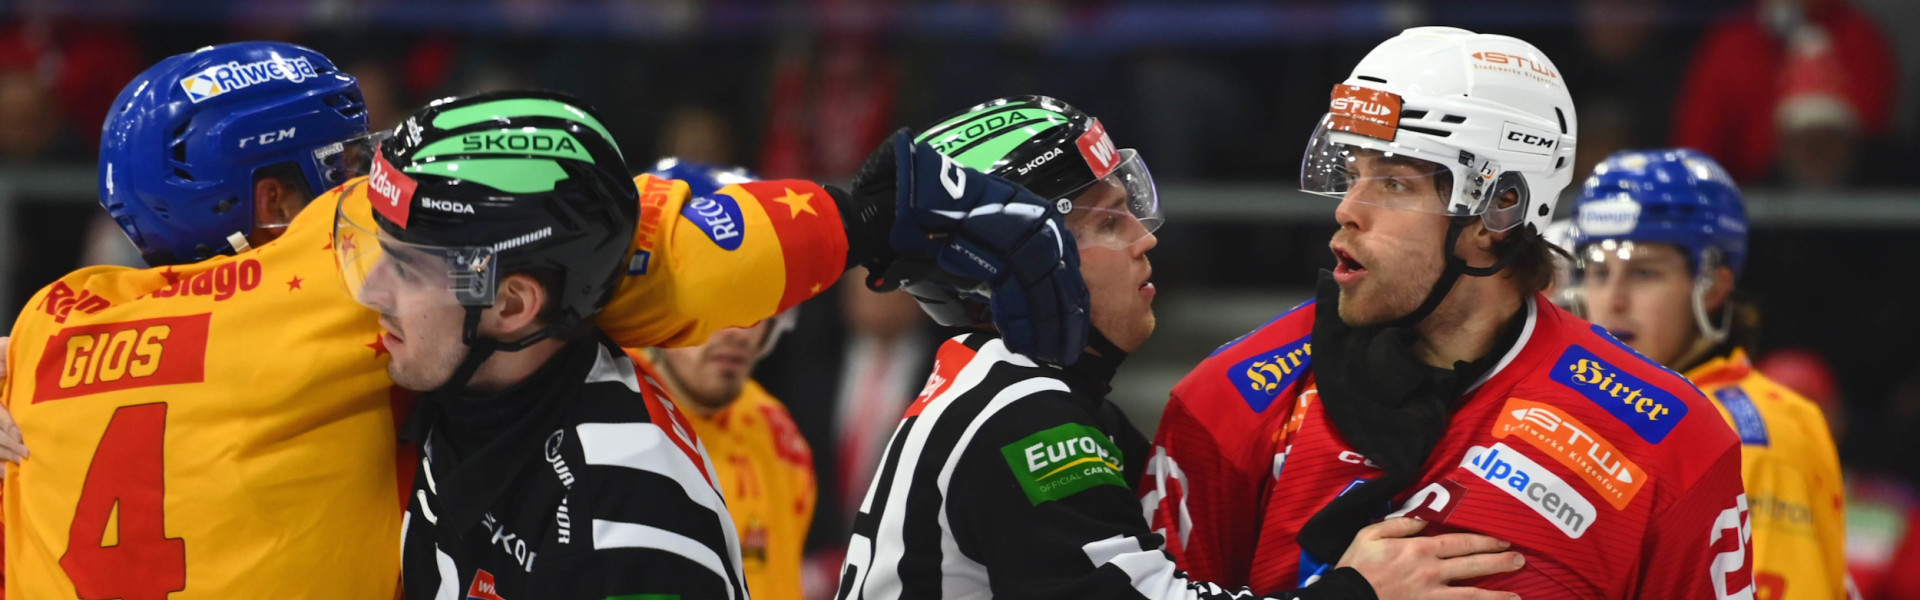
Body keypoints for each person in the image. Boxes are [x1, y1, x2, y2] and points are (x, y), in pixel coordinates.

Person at [0, 42, 1080, 597]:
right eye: (338, 167)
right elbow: (637, 244)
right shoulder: (337, 271)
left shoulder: (50, 326)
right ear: (276, 202)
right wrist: (872, 216)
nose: (361, 185)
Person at [1143, 27, 1755, 598]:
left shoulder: (1673, 438)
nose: (1347, 210)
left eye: (1394, 183)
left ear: (1501, 207)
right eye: (1353, 174)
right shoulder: (1232, 399)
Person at [838, 95, 1526, 600]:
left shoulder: (1005, 389)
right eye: (1110, 220)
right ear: (1021, 264)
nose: (1146, 238)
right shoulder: (1024, 413)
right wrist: (1360, 591)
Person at [1568, 150, 1846, 599]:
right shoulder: (1620, 406)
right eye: (1598, 272)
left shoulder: (1752, 436)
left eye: (1643, 272)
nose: (1613, 300)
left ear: (1713, 287)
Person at [643, 158, 818, 600]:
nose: (741, 328)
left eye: (758, 299)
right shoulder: (585, 410)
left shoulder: (779, 437)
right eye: (720, 294)